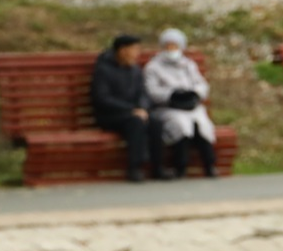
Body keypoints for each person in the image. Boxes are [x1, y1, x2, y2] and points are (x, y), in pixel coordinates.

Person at [90, 34, 167, 183]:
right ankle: (135, 168)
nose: (137, 53)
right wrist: (131, 109)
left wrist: (142, 108)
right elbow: (102, 98)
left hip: (134, 113)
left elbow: (143, 93)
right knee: (136, 122)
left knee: (155, 123)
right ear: (123, 50)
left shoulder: (135, 70)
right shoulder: (103, 70)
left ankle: (158, 167)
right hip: (110, 116)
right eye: (135, 49)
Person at [142, 28, 217, 180]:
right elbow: (152, 91)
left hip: (191, 106)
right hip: (168, 107)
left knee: (203, 126)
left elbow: (201, 84)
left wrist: (195, 93)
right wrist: (172, 95)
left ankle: (209, 164)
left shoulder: (188, 65)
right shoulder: (153, 67)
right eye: (168, 46)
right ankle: (180, 165)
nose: (171, 49)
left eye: (174, 46)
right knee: (181, 126)